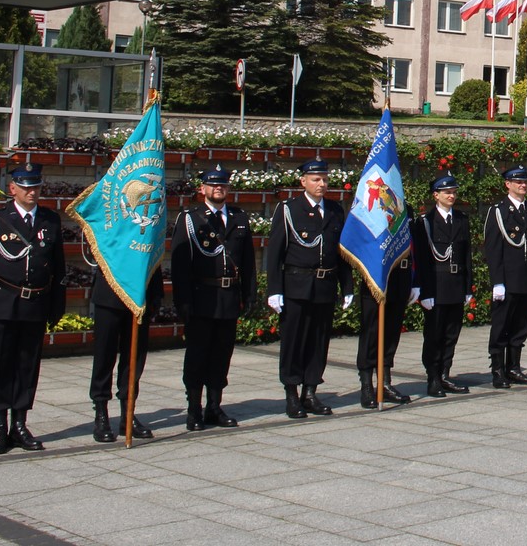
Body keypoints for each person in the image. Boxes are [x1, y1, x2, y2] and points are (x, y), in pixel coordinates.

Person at [0, 164, 67, 455]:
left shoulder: (50, 220)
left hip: (35, 304)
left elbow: (59, 267)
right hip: (4, 303)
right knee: (0, 366)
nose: (31, 192)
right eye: (25, 187)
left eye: (35, 186)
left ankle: (20, 424)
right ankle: (0, 426)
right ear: (12, 188)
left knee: (28, 366)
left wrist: (57, 305)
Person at [265, 160, 353, 419]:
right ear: (303, 181)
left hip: (325, 286)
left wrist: (347, 286)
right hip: (297, 286)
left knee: (318, 341)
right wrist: (274, 289)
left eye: (324, 179)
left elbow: (341, 252)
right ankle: (292, 393)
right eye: (315, 179)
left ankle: (311, 391)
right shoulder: (289, 209)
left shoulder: (335, 210)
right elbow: (275, 252)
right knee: (294, 341)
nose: (321, 184)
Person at [171, 166, 254, 431]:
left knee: (221, 354)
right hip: (201, 297)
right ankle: (194, 408)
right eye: (213, 185)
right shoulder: (191, 219)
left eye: (223, 185)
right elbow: (180, 265)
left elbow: (248, 261)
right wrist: (183, 302)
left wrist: (248, 294)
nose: (219, 188)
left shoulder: (239, 218)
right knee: (197, 354)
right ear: (203, 189)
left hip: (228, 296)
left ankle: (214, 407)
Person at [84, 238, 162, 442]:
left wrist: (156, 291)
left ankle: (128, 413)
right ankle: (101, 414)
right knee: (104, 355)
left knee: (134, 358)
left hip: (140, 291)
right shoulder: (110, 216)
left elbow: (153, 246)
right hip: (110, 290)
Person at [354, 192, 417, 408]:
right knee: (371, 331)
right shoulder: (369, 208)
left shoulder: (405, 208)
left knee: (391, 331)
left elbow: (414, 246)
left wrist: (415, 281)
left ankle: (385, 381)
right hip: (377, 277)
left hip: (400, 277)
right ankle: (366, 385)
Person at [483, 166, 527, 387]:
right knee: (501, 326)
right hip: (507, 280)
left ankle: (514, 368)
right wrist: (497, 282)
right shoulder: (498, 211)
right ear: (507, 184)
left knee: (521, 326)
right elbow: (492, 250)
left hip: (526, 279)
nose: (523, 185)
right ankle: (498, 370)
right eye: (518, 182)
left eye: (525, 181)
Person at [416, 175, 472, 397]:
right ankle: (433, 378)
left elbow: (466, 255)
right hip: (436, 285)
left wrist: (468, 287)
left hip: (456, 284)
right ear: (436, 195)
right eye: (447, 192)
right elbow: (421, 259)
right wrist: (424, 291)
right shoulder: (425, 222)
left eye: (454, 192)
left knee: (451, 334)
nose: (451, 196)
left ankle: (445, 374)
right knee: (434, 335)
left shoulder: (461, 219)